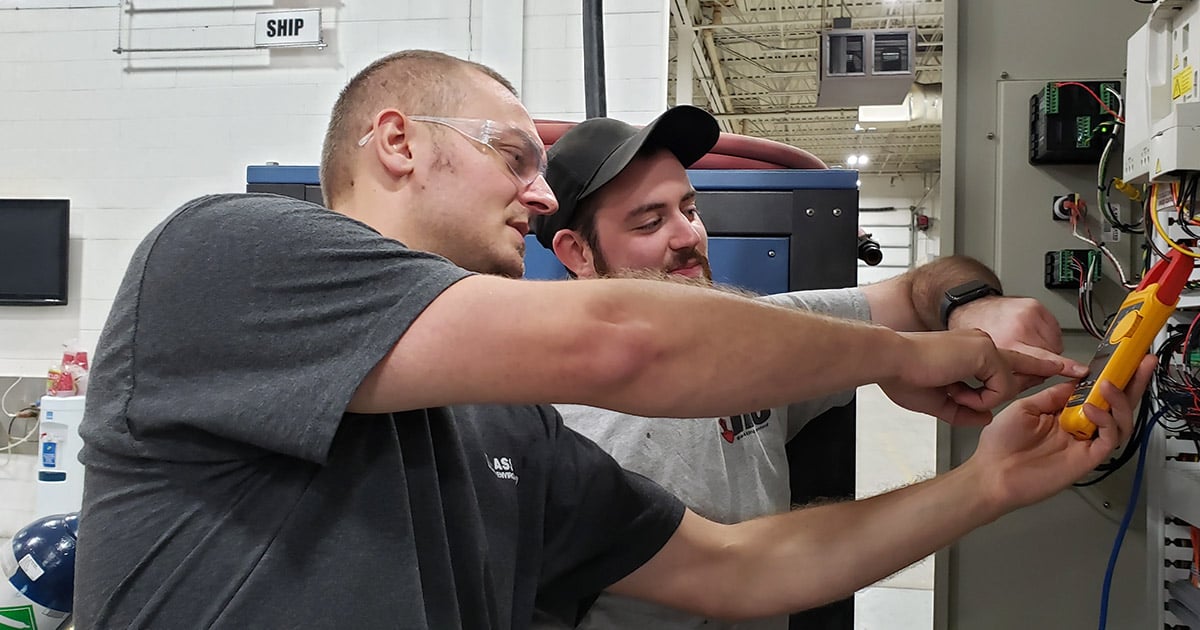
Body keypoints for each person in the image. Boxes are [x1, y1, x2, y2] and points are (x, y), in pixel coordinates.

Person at [72, 49, 1142, 629]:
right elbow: (628, 346)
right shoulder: (231, 254)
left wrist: (989, 487)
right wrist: (922, 359)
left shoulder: (509, 428)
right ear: (396, 142)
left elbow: (739, 568)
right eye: (509, 153)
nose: (537, 194)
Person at [529, 106, 1088, 629]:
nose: (688, 236)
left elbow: (921, 288)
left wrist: (971, 303)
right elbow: (737, 570)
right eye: (650, 223)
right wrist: (982, 474)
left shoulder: (762, 329)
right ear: (577, 253)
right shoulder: (559, 427)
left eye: (690, 209)